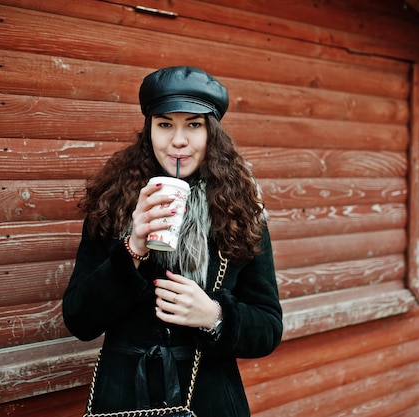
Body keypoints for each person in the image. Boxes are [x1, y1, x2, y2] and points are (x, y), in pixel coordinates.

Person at [62, 66, 283, 417]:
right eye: (165, 124)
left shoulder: (242, 211)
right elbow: (79, 320)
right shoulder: (114, 203)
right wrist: (132, 248)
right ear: (149, 129)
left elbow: (269, 327)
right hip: (123, 400)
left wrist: (215, 315)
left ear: (211, 133)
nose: (178, 140)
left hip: (208, 399)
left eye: (193, 125)